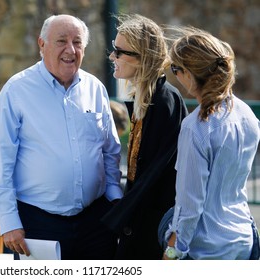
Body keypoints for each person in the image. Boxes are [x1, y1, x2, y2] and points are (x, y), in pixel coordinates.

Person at [0, 14, 123, 260]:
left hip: (95, 221)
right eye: (61, 41)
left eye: (77, 42)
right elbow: (0, 163)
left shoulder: (95, 88)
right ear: (41, 44)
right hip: (37, 222)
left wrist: (114, 198)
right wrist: (9, 222)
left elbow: (110, 150)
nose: (70, 49)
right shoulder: (16, 91)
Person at [162, 27, 260, 260]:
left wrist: (172, 252)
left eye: (176, 69)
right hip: (243, 239)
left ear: (189, 73)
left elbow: (189, 206)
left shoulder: (195, 126)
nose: (175, 76)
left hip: (206, 249)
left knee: (166, 221)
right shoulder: (247, 114)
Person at [101, 14, 188, 260]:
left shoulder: (164, 101)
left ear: (142, 58)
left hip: (153, 229)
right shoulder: (148, 98)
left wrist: (118, 215)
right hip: (141, 224)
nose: (112, 56)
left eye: (119, 51)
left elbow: (157, 176)